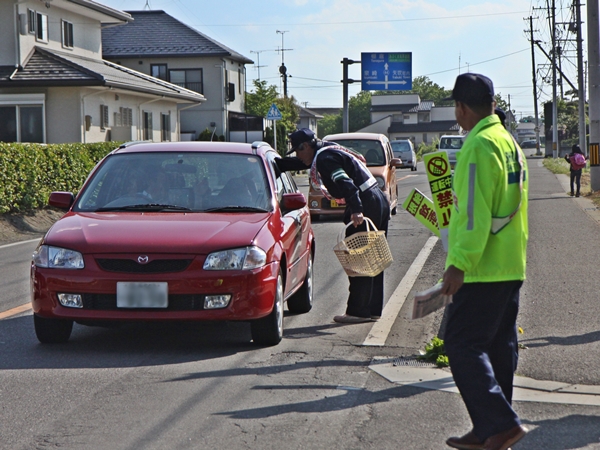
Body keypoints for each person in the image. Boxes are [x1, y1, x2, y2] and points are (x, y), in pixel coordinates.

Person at [439, 73, 529, 450]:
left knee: (460, 344)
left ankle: (501, 423)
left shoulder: (477, 146)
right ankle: (489, 427)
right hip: (510, 262)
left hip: (482, 267)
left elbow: (473, 213)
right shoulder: (508, 140)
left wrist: (459, 262)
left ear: (461, 108)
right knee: (499, 346)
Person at [276, 128, 390, 324]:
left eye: (298, 150)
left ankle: (358, 311)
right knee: (373, 257)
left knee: (359, 256)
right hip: (377, 198)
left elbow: (346, 183)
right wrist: (279, 164)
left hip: (364, 201)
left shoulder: (325, 159)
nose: (297, 155)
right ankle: (372, 309)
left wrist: (356, 210)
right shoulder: (326, 150)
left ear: (306, 146)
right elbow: (303, 162)